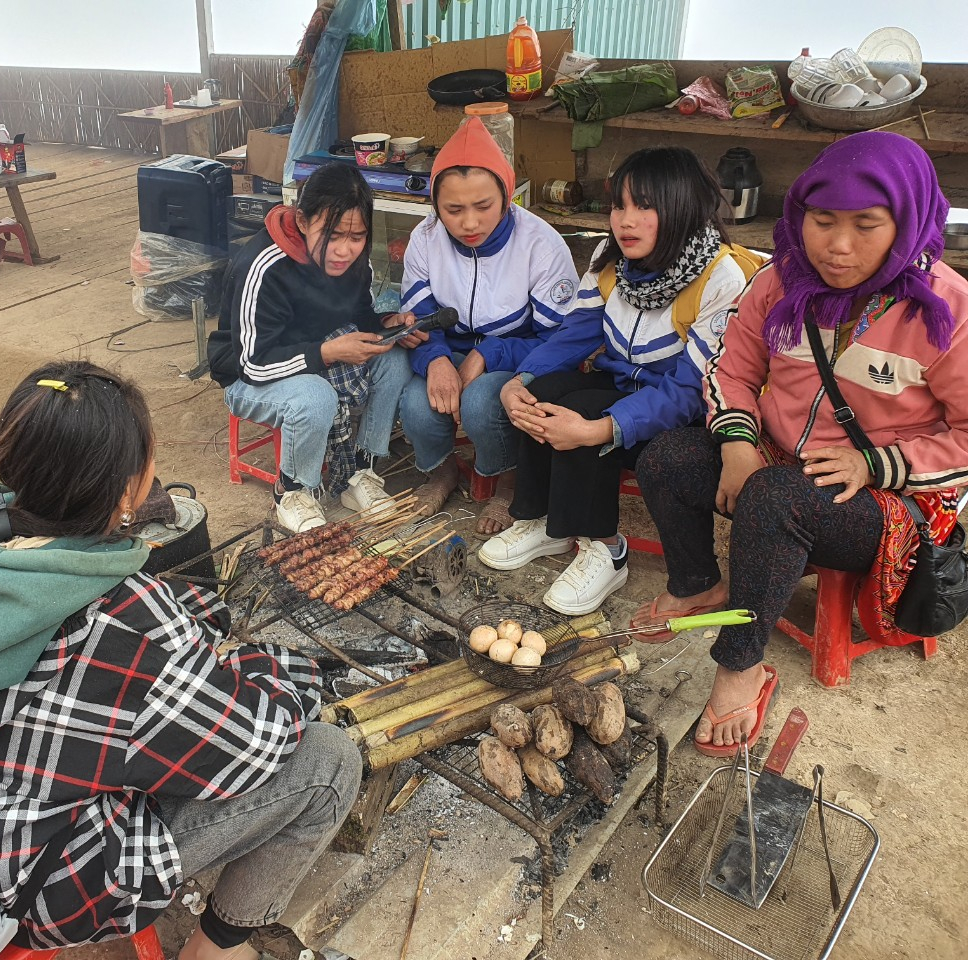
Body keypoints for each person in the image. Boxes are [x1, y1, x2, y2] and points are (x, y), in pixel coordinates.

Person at [0, 361, 362, 960]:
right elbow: (255, 745)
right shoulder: (122, 622)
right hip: (38, 886)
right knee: (329, 762)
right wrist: (277, 669)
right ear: (131, 489)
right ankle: (216, 950)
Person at [633, 131, 968, 756]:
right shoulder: (779, 282)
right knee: (668, 457)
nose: (838, 246)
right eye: (822, 220)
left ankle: (741, 667)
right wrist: (736, 442)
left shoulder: (948, 311)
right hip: (781, 461)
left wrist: (875, 464)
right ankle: (699, 583)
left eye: (867, 224)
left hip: (889, 495)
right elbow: (730, 369)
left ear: (908, 219)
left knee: (774, 498)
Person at [478, 147, 756, 617]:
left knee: (584, 411)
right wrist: (518, 380)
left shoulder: (722, 277)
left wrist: (597, 429)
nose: (625, 221)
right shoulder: (613, 265)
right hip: (626, 391)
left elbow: (690, 390)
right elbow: (574, 336)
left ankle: (607, 548)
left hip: (684, 421)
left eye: (644, 206)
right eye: (619, 206)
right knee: (544, 394)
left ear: (682, 206)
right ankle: (545, 521)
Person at [208, 163, 417, 532]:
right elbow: (252, 364)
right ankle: (293, 492)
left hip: (316, 355)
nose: (344, 250)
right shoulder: (264, 265)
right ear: (303, 222)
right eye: (332, 235)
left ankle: (360, 472)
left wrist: (386, 326)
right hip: (249, 375)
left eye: (356, 238)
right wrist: (328, 353)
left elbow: (360, 312)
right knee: (315, 397)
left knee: (395, 359)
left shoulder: (355, 258)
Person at [397, 117, 580, 534]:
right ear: (435, 206)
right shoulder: (425, 239)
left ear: (507, 196)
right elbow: (420, 319)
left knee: (482, 403)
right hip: (452, 344)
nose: (469, 223)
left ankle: (508, 484)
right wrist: (437, 359)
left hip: (520, 350)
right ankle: (441, 473)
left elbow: (559, 338)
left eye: (483, 206)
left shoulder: (541, 244)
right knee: (416, 402)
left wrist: (489, 352)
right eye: (453, 210)